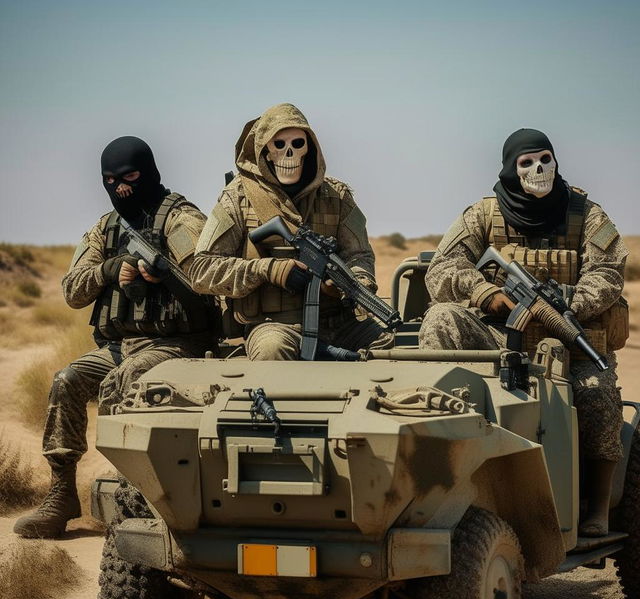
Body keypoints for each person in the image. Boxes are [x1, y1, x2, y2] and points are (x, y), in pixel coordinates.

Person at [419, 128, 628, 537]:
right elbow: (441, 270)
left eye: (545, 159)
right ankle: (440, 461)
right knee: (441, 318)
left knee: (597, 393)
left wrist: (568, 302)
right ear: (511, 170)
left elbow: (608, 274)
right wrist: (485, 293)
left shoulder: (588, 215)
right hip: (498, 340)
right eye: (526, 162)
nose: (538, 169)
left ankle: (598, 504)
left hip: (570, 342)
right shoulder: (482, 214)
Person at [14, 136, 218, 538]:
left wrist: (165, 275)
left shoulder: (181, 220)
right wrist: (112, 269)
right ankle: (62, 494)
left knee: (121, 384)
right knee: (67, 381)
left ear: (149, 172)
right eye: (111, 180)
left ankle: (132, 491)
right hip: (117, 346)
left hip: (177, 346)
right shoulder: (105, 228)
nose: (121, 188)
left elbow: (208, 278)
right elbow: (73, 290)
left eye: (130, 177)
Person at [189, 103, 390, 360]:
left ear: (310, 148)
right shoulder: (237, 198)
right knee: (272, 351)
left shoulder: (336, 196)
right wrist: (267, 270)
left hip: (339, 324)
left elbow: (360, 255)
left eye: (297, 144)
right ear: (265, 152)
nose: (289, 154)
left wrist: (351, 284)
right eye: (279, 145)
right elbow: (202, 271)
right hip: (275, 325)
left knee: (391, 344)